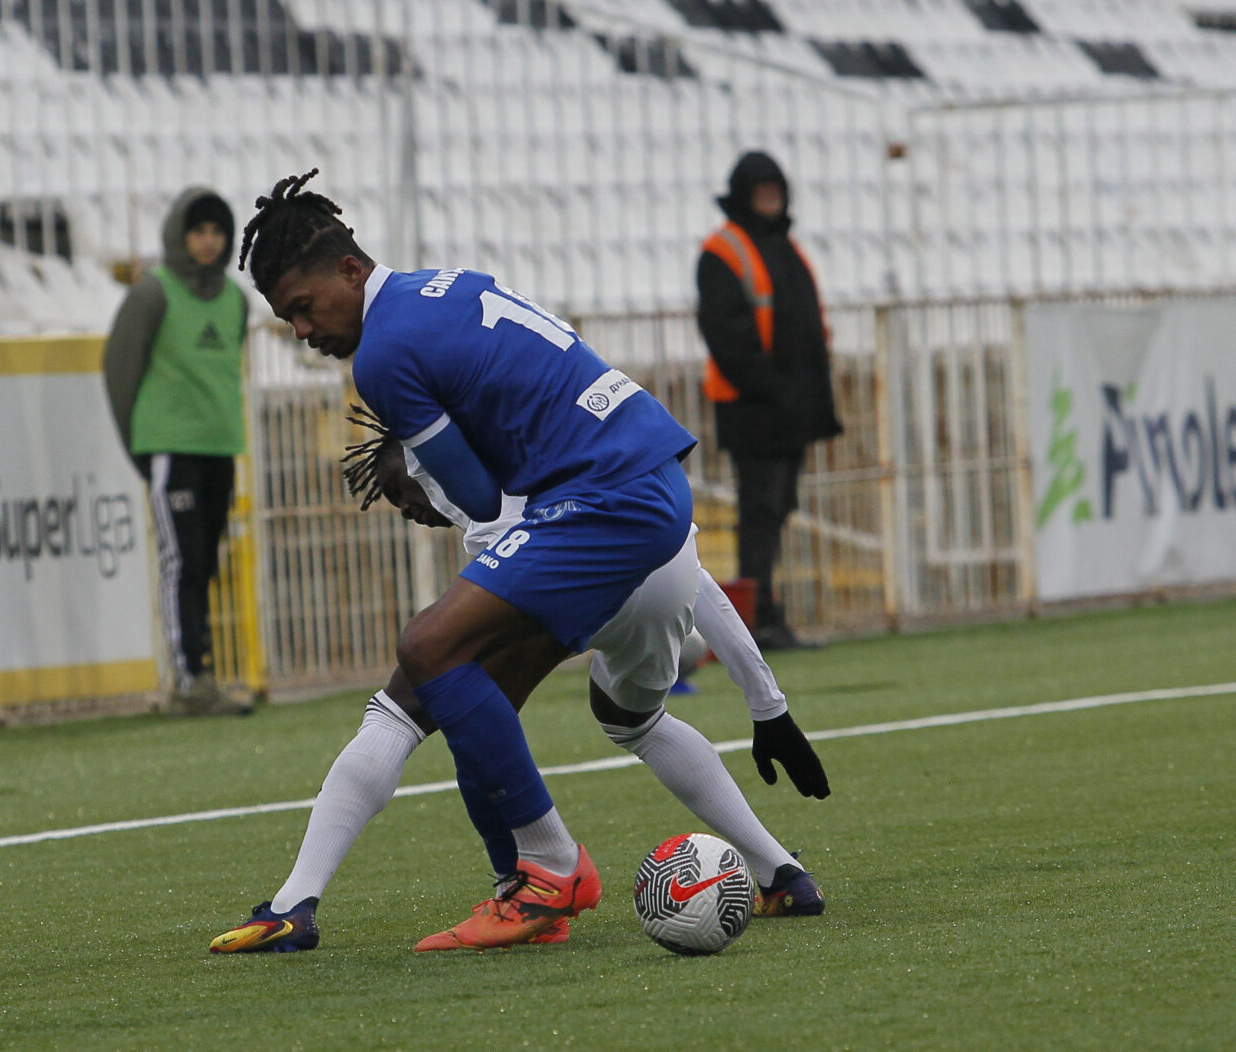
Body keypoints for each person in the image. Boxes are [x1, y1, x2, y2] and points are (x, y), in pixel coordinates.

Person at [225, 168, 816, 951]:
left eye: (302, 309)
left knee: (430, 651)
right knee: (470, 688)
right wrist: (766, 703)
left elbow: (478, 498)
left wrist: (427, 489)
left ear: (350, 270)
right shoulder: (452, 289)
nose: (302, 332)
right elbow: (525, 490)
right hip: (642, 495)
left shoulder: (386, 354)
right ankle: (329, 904)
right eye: (285, 321)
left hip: (603, 502)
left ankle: (548, 870)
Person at [208, 409, 828, 954]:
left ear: (425, 465)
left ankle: (310, 906)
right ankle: (779, 874)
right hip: (663, 564)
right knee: (628, 719)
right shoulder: (550, 445)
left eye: (401, 491)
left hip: (588, 563)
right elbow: (692, 579)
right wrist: (767, 705)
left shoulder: (486, 501)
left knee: (420, 699)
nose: (409, 512)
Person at [102, 187, 252, 718]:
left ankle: (202, 672)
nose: (208, 242)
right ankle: (188, 677)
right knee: (181, 559)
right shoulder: (151, 294)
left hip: (219, 446)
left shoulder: (236, 300)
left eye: (216, 232)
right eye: (198, 231)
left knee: (205, 560)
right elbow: (120, 372)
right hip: (170, 447)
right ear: (180, 235)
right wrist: (142, 450)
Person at [697, 151, 843, 650]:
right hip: (755, 410)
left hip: (789, 410)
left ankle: (766, 615)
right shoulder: (724, 251)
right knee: (760, 513)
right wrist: (773, 389)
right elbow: (726, 334)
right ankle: (755, 623)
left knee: (776, 509)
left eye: (775, 189)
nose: (769, 197)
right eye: (760, 190)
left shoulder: (783, 246)